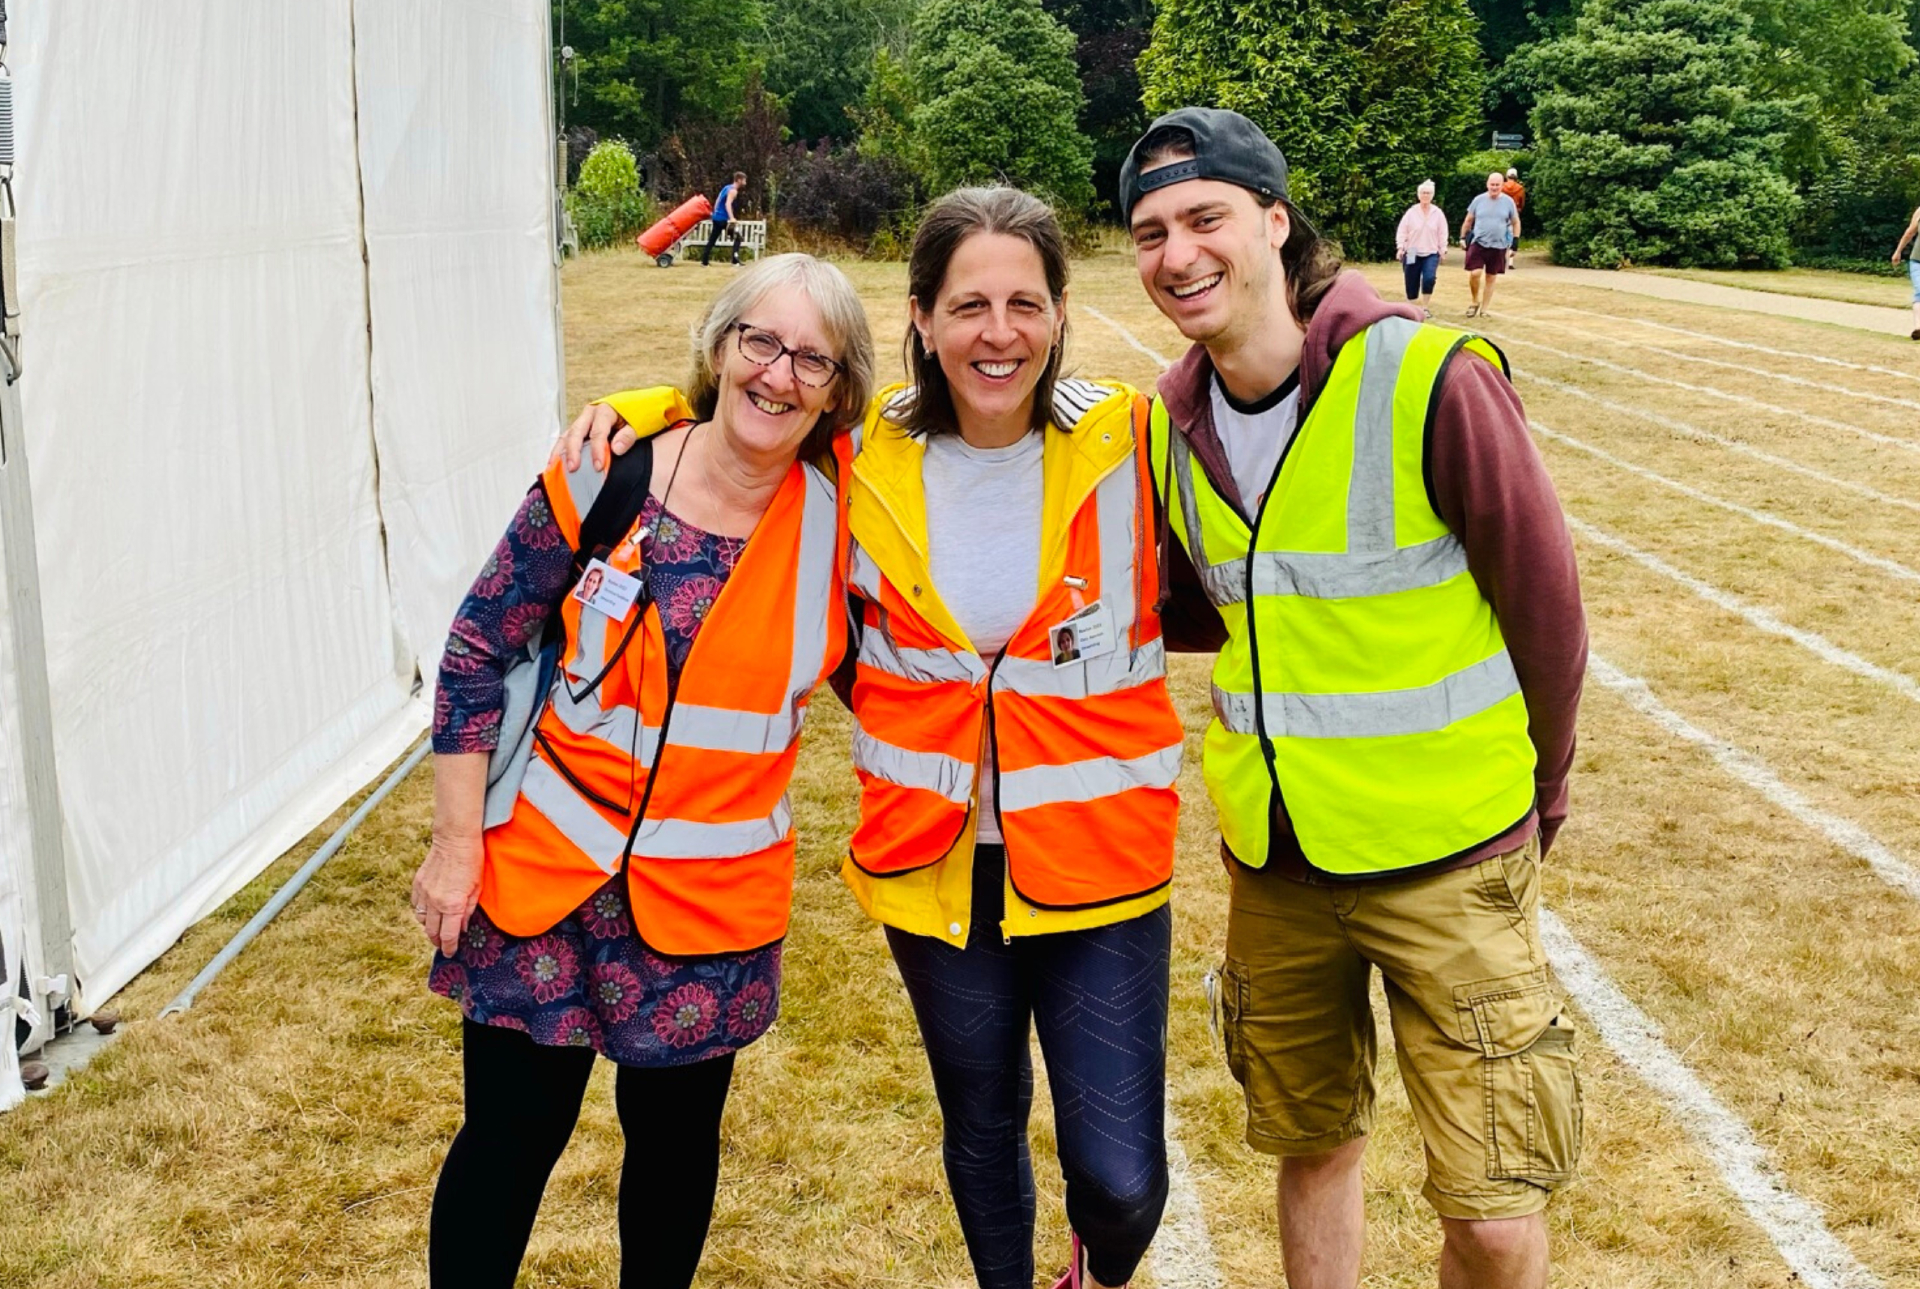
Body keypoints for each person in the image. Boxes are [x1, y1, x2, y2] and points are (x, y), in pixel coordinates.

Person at [563, 186, 1189, 1289]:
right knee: (982, 1125)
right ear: (921, 315)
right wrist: (648, 403)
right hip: (936, 859)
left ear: (1057, 312)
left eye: (1024, 303)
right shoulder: (858, 459)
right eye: (968, 305)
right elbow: (743, 417)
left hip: (1103, 861)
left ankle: (1093, 1269)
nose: (998, 333)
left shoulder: (1133, 435)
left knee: (1124, 1175)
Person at [1120, 107, 1586, 1289]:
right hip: (1277, 864)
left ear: (1277, 223)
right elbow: (1205, 602)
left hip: (1448, 856)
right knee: (1311, 1143)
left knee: (1489, 1205)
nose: (1177, 254)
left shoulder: (1426, 374)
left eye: (1205, 218)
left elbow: (1545, 601)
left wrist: (1547, 784)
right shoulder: (1170, 421)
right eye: (1149, 230)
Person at [413, 251, 874, 1289]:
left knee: (671, 1164)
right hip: (542, 885)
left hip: (708, 914)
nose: (780, 373)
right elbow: (477, 646)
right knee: (506, 1147)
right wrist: (453, 847)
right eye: (760, 340)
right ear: (717, 346)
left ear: (841, 390)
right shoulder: (603, 467)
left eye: (814, 357)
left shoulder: (847, 521)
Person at [1459, 170, 1520, 317]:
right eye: (1492, 184)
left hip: (1498, 245)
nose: (1494, 187)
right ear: (1487, 184)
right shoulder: (1478, 200)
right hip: (1479, 242)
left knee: (1491, 277)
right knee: (1475, 273)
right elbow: (1468, 220)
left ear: (1502, 185)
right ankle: (1474, 301)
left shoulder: (1508, 202)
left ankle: (1485, 309)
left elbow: (1516, 222)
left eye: (1497, 185)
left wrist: (1515, 243)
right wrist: (1462, 237)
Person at [1394, 180, 1449, 317]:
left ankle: (1425, 307)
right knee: (1411, 277)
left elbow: (1443, 232)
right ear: (1419, 195)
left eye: (1428, 193)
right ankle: (1411, 307)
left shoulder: (1438, 213)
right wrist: (1400, 247)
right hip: (1412, 251)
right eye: (1423, 193)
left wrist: (1443, 249)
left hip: (1431, 251)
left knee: (1429, 278)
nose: (1425, 196)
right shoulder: (1411, 212)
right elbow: (1402, 230)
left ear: (1432, 195)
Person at [702, 170, 748, 266]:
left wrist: (715, 212)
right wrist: (732, 218)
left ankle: (704, 261)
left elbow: (718, 200)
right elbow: (728, 204)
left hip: (717, 218)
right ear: (739, 180)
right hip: (724, 219)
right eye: (744, 180)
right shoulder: (733, 191)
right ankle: (735, 261)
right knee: (738, 237)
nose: (745, 182)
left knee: (712, 239)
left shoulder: (726, 187)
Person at [1894, 201, 1920, 340]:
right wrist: (1898, 251)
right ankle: (1918, 328)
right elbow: (1910, 232)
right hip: (1917, 261)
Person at [1501, 168, 1527, 269]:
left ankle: (1502, 258)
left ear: (1507, 176)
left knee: (1501, 235)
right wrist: (1519, 209)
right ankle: (1511, 262)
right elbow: (1522, 202)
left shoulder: (1502, 186)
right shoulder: (1520, 188)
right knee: (1512, 235)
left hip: (1502, 212)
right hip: (1514, 213)